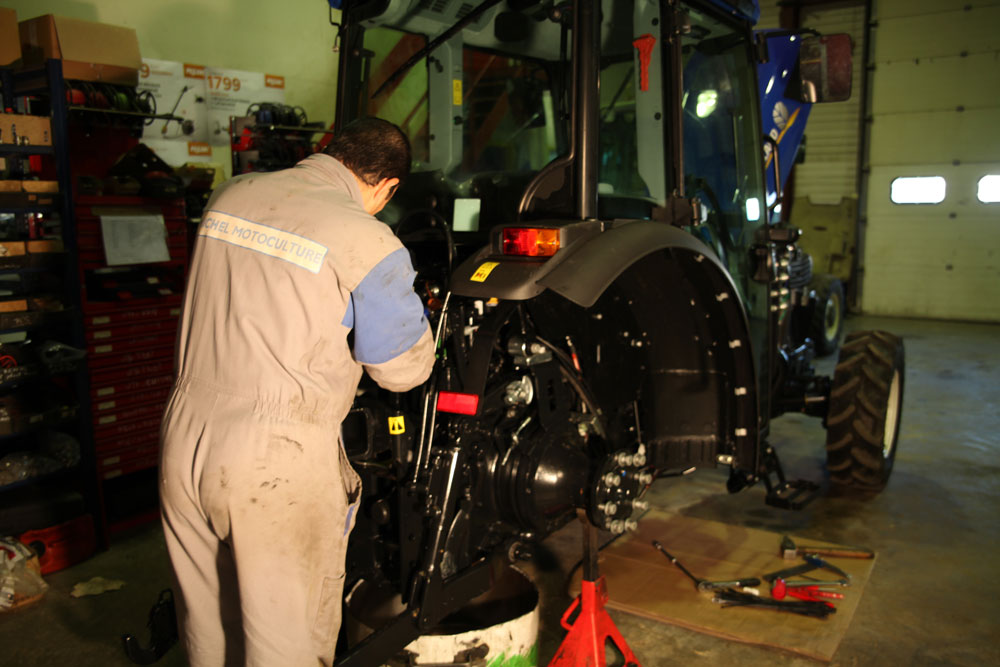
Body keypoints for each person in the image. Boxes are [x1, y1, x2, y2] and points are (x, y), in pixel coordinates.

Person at [159, 117, 434, 666]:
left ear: (330, 153)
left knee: (208, 629)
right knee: (284, 643)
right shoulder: (367, 239)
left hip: (184, 433)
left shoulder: (231, 194)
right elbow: (401, 372)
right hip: (275, 457)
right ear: (388, 186)